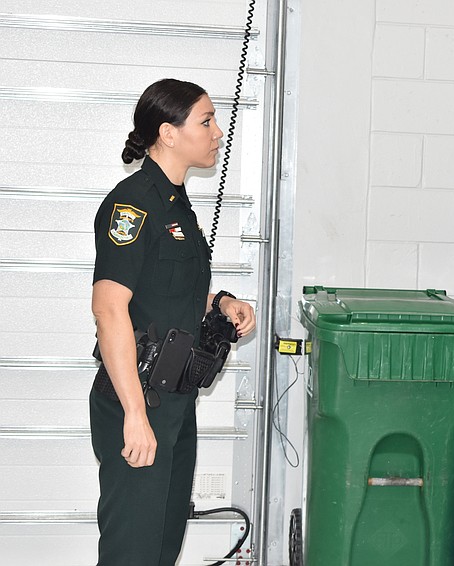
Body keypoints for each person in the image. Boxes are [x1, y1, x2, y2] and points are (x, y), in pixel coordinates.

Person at [89, 78, 256, 565]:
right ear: (168, 132)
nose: (217, 132)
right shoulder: (133, 204)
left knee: (162, 545)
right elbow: (108, 308)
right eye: (206, 121)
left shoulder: (175, 202)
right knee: (132, 551)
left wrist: (220, 302)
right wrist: (136, 416)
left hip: (176, 402)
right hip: (137, 402)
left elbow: (167, 288)